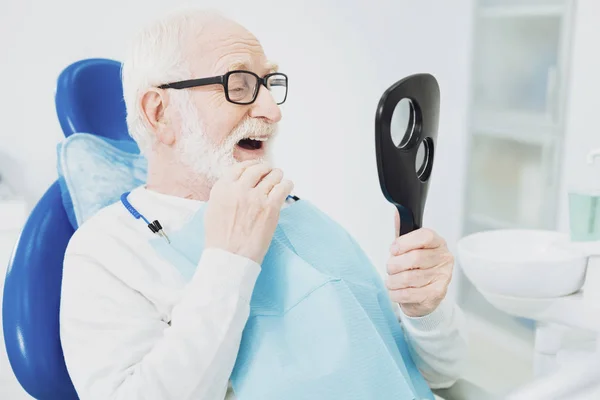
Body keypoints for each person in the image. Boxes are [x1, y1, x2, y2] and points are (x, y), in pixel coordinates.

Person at [59, 8, 467, 400]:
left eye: (269, 83)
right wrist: (228, 262)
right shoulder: (105, 251)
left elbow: (437, 374)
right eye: (238, 85)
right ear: (160, 112)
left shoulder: (298, 213)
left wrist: (424, 311)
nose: (272, 111)